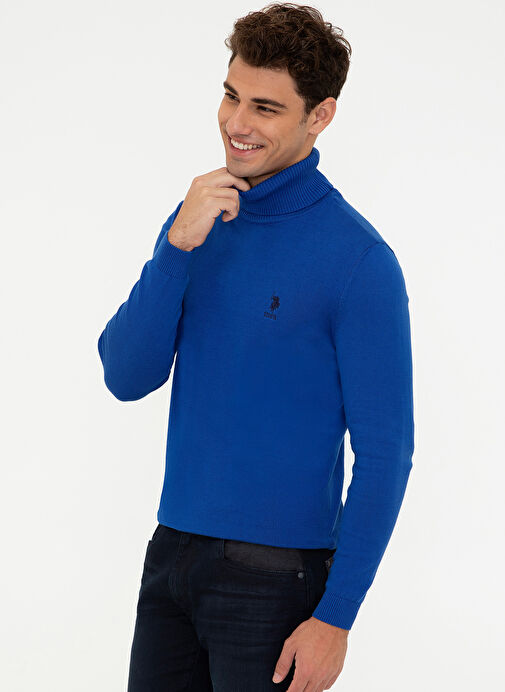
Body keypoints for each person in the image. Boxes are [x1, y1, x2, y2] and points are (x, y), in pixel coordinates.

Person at [97, 3, 415, 690]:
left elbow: (386, 455)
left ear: (319, 115)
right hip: (170, 556)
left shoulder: (359, 261)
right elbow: (125, 374)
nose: (237, 123)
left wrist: (336, 617)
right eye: (231, 95)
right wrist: (175, 249)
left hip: (275, 580)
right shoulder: (196, 220)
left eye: (266, 108)